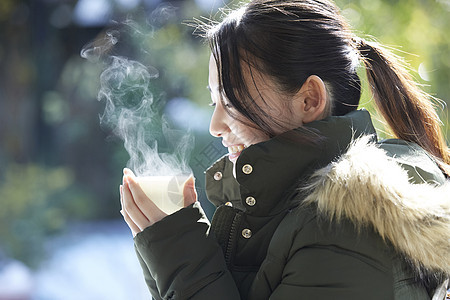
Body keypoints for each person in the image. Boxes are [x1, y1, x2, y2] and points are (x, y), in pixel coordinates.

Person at [119, 0, 450, 299]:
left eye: (231, 99)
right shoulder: (277, 212)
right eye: (213, 100)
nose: (215, 125)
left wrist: (177, 247)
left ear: (309, 100)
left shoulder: (343, 226)